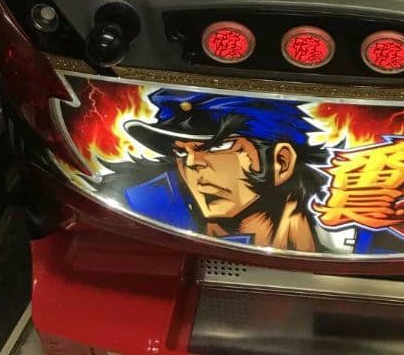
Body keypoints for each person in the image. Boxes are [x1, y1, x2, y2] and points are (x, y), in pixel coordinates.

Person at [104, 91, 328, 251]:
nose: (192, 163)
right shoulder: (144, 217)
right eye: (181, 152)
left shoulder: (342, 235)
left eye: (216, 147)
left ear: (282, 161)